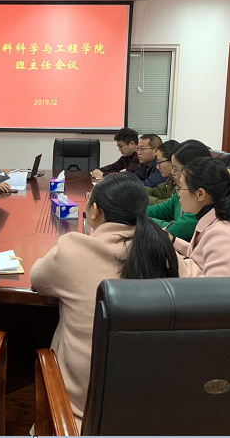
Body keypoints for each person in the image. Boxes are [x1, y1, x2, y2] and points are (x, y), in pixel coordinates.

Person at [31, 173, 179, 431]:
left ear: (95, 211)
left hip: (82, 411)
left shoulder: (72, 250)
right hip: (153, 403)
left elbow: (37, 278)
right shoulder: (162, 252)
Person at [173, 156, 230, 277]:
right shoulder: (216, 220)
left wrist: (174, 260)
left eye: (180, 188)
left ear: (200, 194)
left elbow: (216, 287)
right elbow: (199, 254)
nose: (178, 194)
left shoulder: (223, 235)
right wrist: (171, 241)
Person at [146, 139, 211, 241]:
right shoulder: (181, 190)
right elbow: (163, 209)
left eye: (175, 169)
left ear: (193, 168)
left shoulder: (203, 199)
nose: (172, 172)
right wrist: (136, 211)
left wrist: (141, 219)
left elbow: (175, 230)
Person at [146, 139, 179, 205]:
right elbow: (155, 192)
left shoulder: (184, 182)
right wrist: (134, 189)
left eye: (159, 162)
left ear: (172, 161)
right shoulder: (171, 179)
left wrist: (141, 198)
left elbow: (170, 205)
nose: (157, 167)